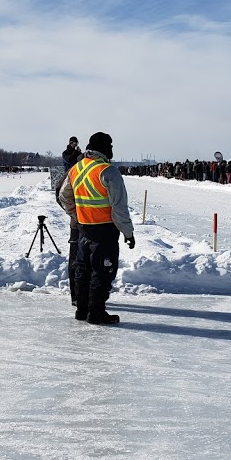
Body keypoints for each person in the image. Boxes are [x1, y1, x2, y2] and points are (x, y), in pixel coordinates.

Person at [58, 132, 135, 325]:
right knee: (102, 271)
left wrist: (77, 216)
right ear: (105, 149)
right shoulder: (108, 171)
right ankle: (96, 312)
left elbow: (64, 197)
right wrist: (128, 233)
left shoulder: (77, 168)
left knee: (83, 269)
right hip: (104, 230)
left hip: (84, 229)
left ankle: (82, 310)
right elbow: (119, 207)